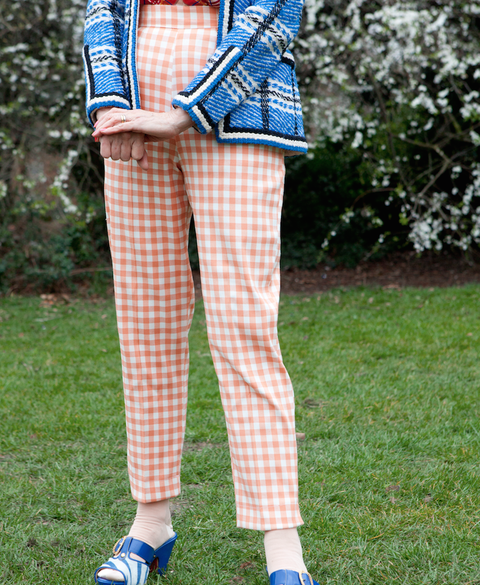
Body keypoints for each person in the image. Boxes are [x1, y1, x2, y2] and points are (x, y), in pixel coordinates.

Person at [83, 0, 319, 582]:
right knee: (147, 324)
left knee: (244, 327)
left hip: (240, 113)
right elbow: (102, 9)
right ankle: (150, 524)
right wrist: (110, 105)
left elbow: (276, 12)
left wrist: (188, 112)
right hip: (132, 118)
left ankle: (284, 551)